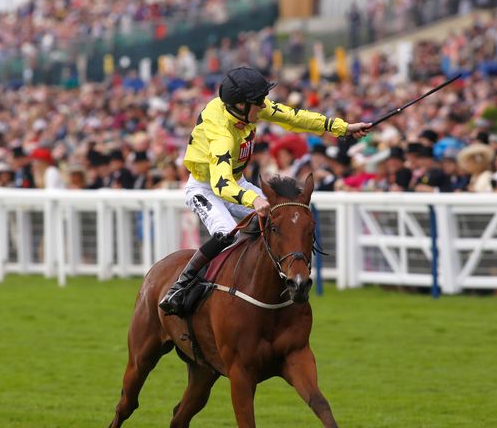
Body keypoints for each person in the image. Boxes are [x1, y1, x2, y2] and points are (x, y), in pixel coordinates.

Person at [159, 66, 370, 315]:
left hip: (235, 182)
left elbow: (293, 117)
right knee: (226, 234)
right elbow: (221, 185)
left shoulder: (244, 108)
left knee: (278, 221)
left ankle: (281, 283)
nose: (264, 105)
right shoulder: (222, 135)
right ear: (240, 106)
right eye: (258, 102)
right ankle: (180, 286)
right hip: (206, 188)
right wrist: (254, 199)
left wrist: (342, 128)